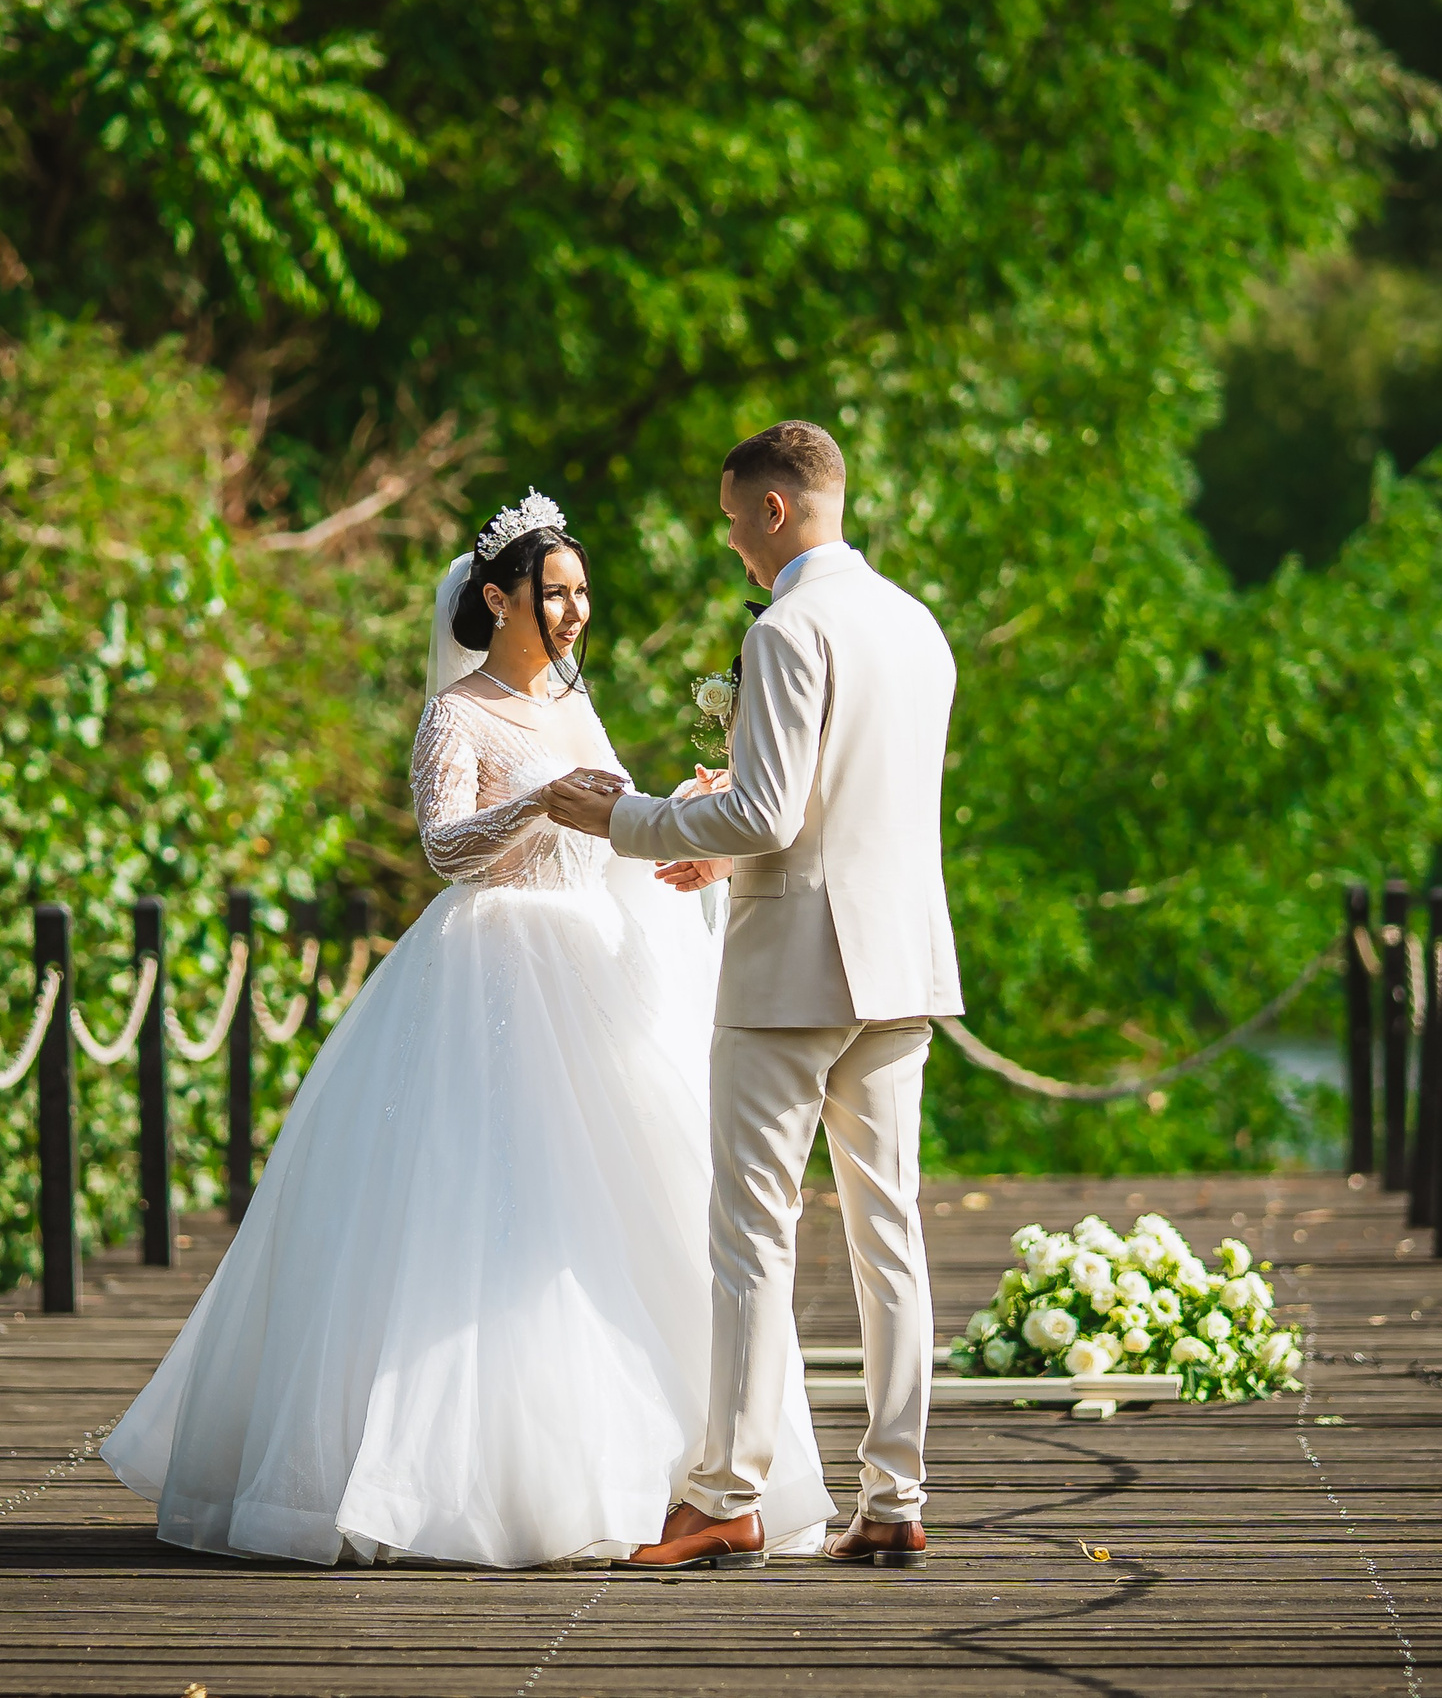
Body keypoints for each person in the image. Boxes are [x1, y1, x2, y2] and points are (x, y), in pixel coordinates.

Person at [99, 489, 835, 1568]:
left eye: (583, 591)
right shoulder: (459, 714)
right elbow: (444, 849)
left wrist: (682, 836)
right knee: (481, 1211)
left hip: (597, 964)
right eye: (555, 592)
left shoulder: (576, 708)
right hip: (490, 970)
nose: (575, 611)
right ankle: (451, 1483)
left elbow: (607, 824)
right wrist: (540, 804)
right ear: (497, 599)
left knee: (618, 1213)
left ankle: (661, 1471)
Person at [542, 421, 961, 1570]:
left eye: (733, 522)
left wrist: (621, 820)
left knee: (750, 1239)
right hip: (900, 968)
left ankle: (726, 1492)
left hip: (791, 973)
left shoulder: (789, 627)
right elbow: (844, 802)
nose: (731, 545)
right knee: (891, 1239)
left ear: (773, 511)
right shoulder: (917, 627)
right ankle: (895, 1496)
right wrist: (726, 820)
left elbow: (770, 818)